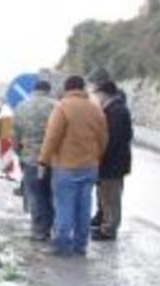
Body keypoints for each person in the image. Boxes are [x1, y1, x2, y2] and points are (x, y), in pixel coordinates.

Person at [38, 75, 108, 256]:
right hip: (90, 167)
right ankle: (80, 245)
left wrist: (43, 161)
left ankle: (61, 245)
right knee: (84, 207)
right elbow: (103, 139)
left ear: (66, 89)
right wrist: (96, 157)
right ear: (82, 88)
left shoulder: (62, 108)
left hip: (66, 167)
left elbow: (52, 137)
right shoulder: (95, 109)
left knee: (64, 206)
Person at [13, 79, 56, 241]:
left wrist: (20, 154)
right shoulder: (56, 107)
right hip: (53, 160)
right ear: (48, 90)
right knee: (52, 194)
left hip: (30, 160)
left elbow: (14, 137)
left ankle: (39, 231)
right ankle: (54, 227)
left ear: (33, 90)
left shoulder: (21, 107)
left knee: (36, 195)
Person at [92, 81, 134, 241]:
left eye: (98, 94)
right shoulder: (115, 109)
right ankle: (104, 223)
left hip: (113, 162)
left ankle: (109, 229)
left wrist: (101, 156)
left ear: (105, 93)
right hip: (113, 161)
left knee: (111, 197)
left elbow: (113, 140)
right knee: (106, 195)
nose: (97, 97)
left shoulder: (116, 111)